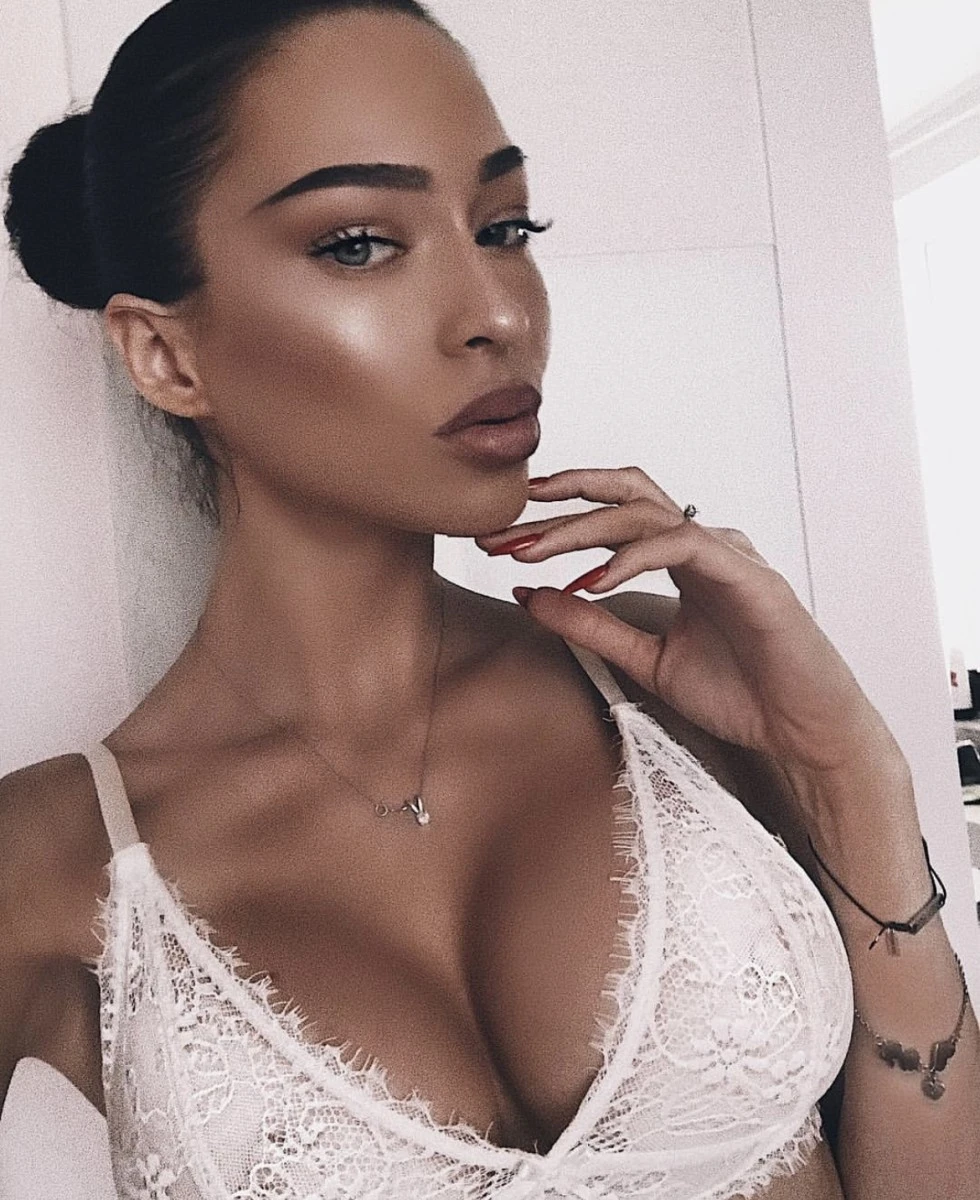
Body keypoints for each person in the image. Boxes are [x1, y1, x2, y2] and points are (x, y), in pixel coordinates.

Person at [1, 2, 977, 1197]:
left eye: (504, 227)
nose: (499, 314)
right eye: (359, 244)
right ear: (166, 355)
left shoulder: (680, 691)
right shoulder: (43, 866)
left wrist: (851, 780)